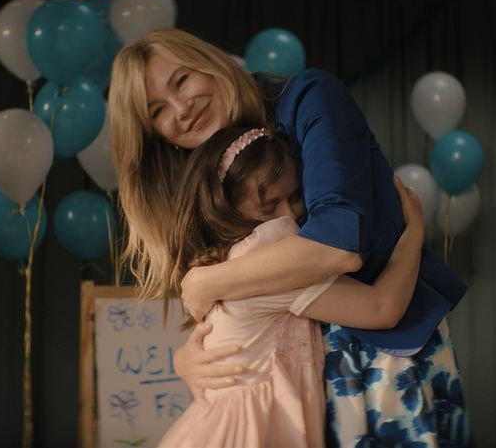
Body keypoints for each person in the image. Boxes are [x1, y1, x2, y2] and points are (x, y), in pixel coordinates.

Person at [109, 27, 470, 446]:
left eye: (182, 80)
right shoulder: (204, 182)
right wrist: (189, 355)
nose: (181, 108)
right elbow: (234, 307)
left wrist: (206, 283)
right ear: (156, 136)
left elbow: (337, 243)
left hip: (381, 351)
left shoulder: (307, 98)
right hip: (288, 387)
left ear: (210, 63)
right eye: (157, 111)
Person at [157, 126, 425, 448]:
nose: (288, 215)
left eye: (295, 197)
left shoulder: (226, 258)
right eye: (269, 205)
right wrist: (415, 233)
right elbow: (382, 308)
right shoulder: (269, 248)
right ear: (225, 206)